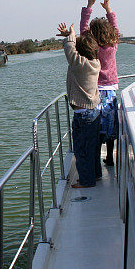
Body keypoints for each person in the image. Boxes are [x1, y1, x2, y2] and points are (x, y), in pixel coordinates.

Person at [57, 22, 102, 188]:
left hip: (83, 116)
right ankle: (95, 174)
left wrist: (71, 35)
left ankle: (86, 180)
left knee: (82, 150)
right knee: (93, 147)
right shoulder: (95, 63)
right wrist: (72, 37)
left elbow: (70, 50)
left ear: (80, 52)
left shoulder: (80, 65)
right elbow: (73, 50)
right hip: (93, 113)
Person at [80, 0, 121, 166]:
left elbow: (83, 29)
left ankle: (96, 160)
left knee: (96, 127)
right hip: (110, 91)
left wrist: (89, 6)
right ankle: (110, 157)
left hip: (95, 91)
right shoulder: (113, 46)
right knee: (110, 125)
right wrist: (108, 10)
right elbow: (116, 29)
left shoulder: (91, 47)